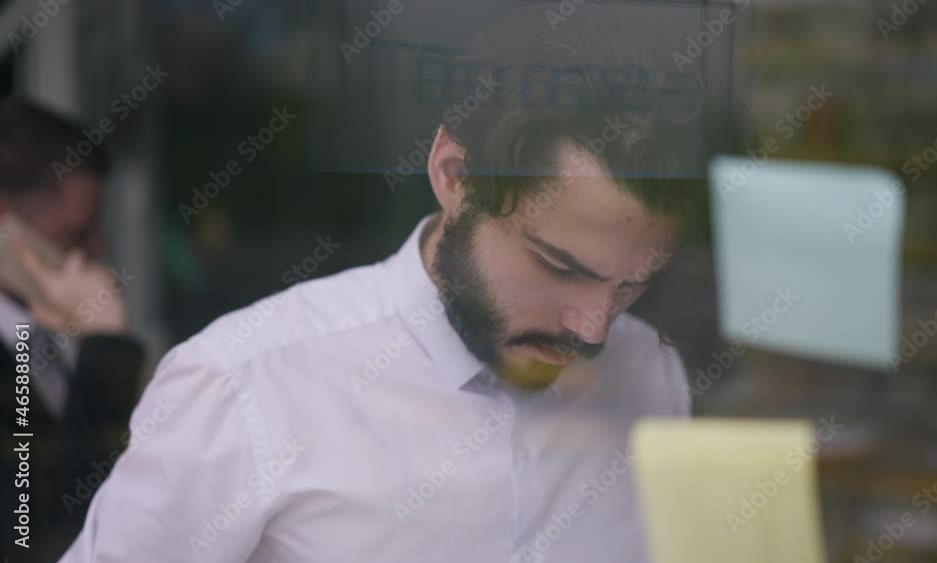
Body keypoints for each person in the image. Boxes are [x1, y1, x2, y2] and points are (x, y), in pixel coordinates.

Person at [61, 13, 707, 563]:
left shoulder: (651, 374)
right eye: (559, 266)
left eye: (631, 285)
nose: (593, 328)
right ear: (454, 175)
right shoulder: (244, 386)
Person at [0, 98, 145, 561]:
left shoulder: (34, 340)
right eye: (76, 234)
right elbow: (36, 536)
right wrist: (107, 352)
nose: (100, 247)